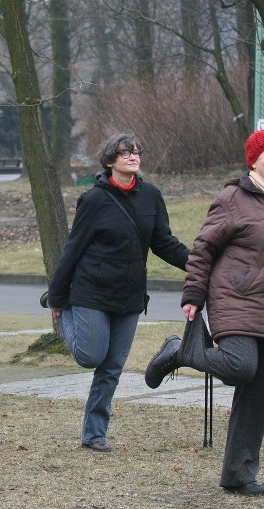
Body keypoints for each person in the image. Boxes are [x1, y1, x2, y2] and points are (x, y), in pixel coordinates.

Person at [44, 132, 188, 453]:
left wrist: (198, 264)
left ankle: (94, 434)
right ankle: (66, 309)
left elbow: (164, 242)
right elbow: (73, 248)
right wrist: (57, 295)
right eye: (125, 153)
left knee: (111, 367)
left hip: (130, 297)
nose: (133, 157)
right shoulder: (93, 200)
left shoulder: (151, 195)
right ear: (110, 161)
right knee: (91, 356)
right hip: (90, 293)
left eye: (137, 152)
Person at [145, 130, 264, 495]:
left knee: (258, 389)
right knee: (241, 365)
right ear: (255, 158)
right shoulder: (233, 199)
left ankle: (238, 474)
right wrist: (194, 293)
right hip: (235, 297)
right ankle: (180, 351)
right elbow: (202, 250)